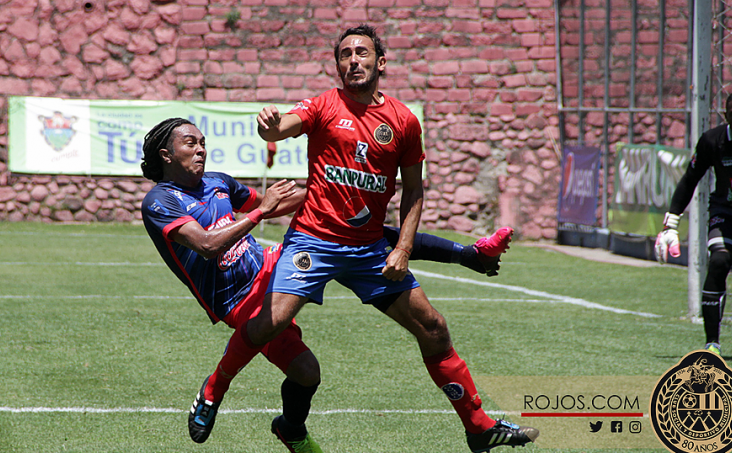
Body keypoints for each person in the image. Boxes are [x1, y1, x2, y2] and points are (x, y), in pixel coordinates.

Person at [199, 24, 538, 453]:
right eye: (344, 55)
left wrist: (402, 248)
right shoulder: (324, 105)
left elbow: (414, 190)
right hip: (312, 241)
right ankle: (215, 387)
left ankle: (478, 426)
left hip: (368, 251)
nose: (352, 60)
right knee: (273, 323)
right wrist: (269, 124)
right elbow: (281, 127)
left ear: (380, 62)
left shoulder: (403, 120)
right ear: (337, 65)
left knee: (433, 329)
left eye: (361, 53)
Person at [139, 117, 513, 452]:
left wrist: (326, 188)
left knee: (346, 231)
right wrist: (259, 212)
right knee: (306, 369)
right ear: (166, 154)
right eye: (191, 143)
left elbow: (276, 203)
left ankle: (469, 254)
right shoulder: (159, 201)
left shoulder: (218, 182)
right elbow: (208, 246)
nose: (201, 148)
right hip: (234, 298)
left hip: (269, 267)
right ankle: (221, 394)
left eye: (203, 141)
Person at [655, 88, 732, 357]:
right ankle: (713, 343)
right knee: (719, 261)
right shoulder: (712, 141)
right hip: (729, 212)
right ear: (726, 116)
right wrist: (671, 224)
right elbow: (690, 179)